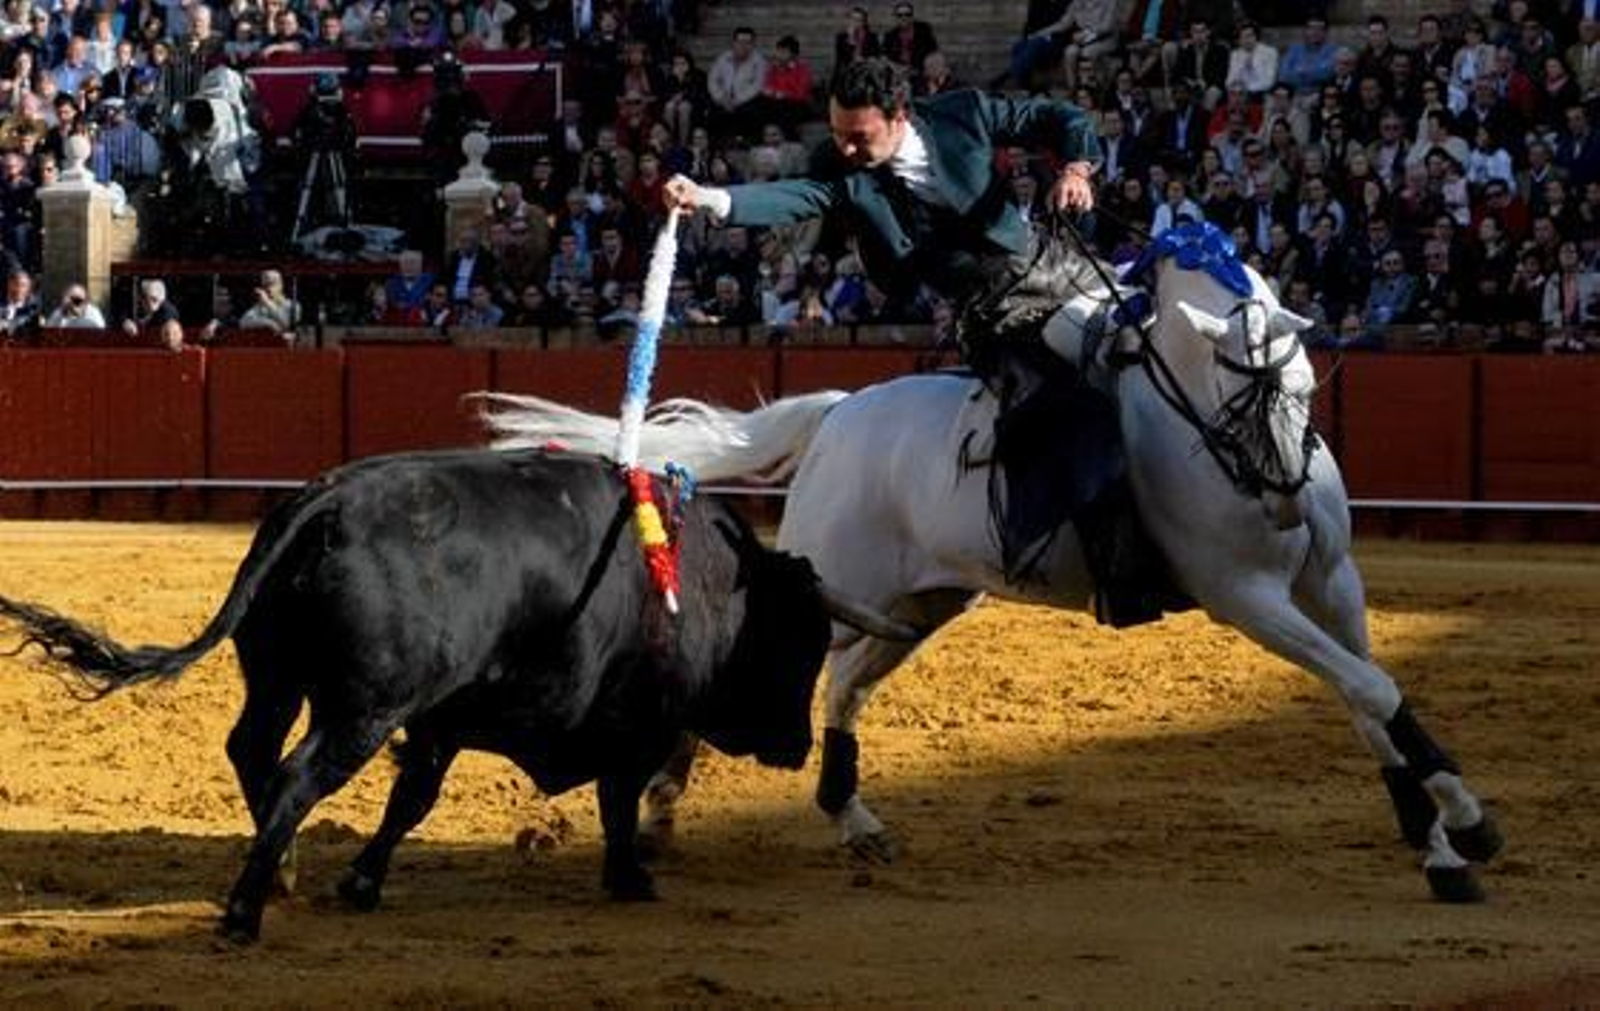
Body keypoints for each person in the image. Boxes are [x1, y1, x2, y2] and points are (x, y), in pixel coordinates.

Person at [664, 58, 1163, 624]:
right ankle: (1115, 570)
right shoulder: (842, 170)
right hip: (995, 319)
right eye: (836, 134)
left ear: (900, 116)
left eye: (858, 136)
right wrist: (709, 199)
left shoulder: (962, 113)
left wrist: (1076, 167)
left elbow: (1057, 114)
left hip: (1060, 270)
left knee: (1160, 349)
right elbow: (795, 196)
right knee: (1068, 408)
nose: (845, 148)